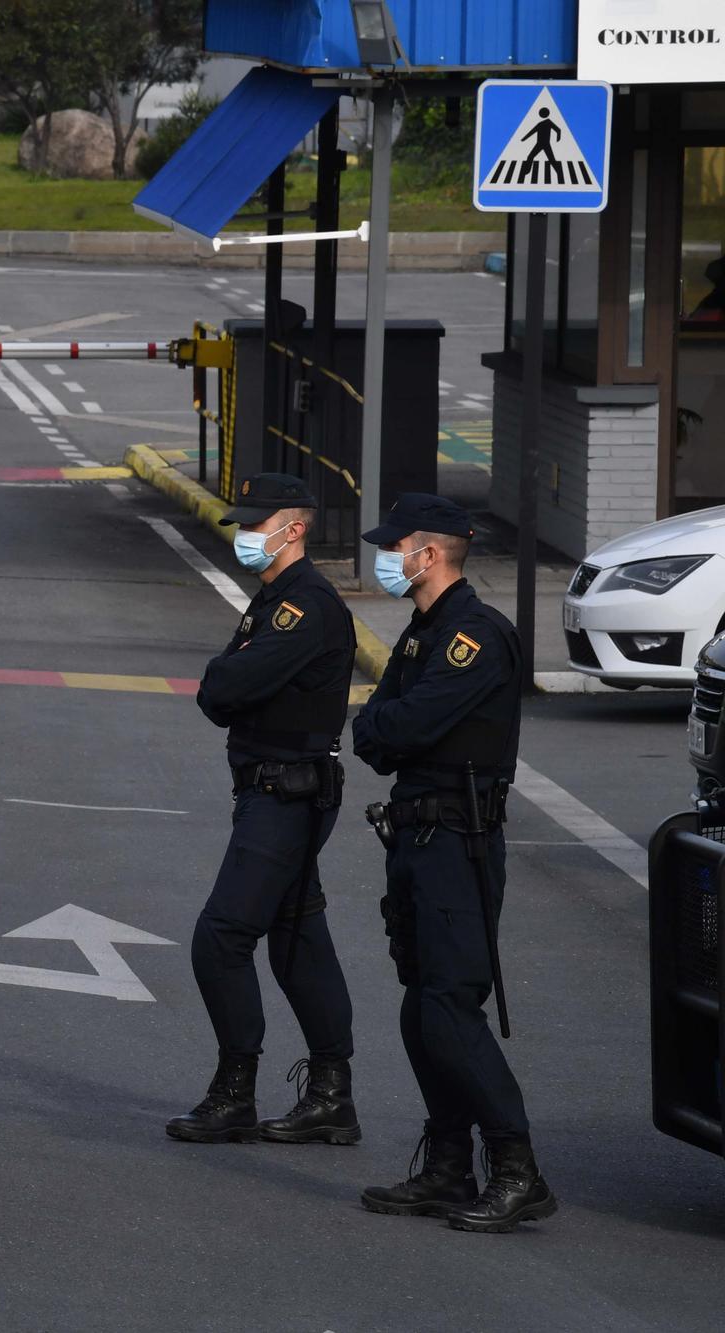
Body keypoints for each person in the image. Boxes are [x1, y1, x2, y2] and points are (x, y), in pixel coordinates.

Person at [351, 493, 557, 1234]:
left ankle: (516, 1167)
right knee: (422, 1004)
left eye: (394, 545)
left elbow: (403, 721)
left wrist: (388, 727)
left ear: (428, 554)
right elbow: (373, 731)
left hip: (457, 844)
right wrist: (386, 727)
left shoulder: (475, 635)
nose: (385, 557)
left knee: (448, 1003)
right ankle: (447, 1164)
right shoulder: (423, 631)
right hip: (414, 838)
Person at [168, 473, 360, 1146]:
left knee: (221, 936)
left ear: (295, 528)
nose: (247, 535)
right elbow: (222, 688)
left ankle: (236, 1089)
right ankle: (332, 1094)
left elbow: (227, 684)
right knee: (299, 937)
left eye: (259, 523)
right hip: (271, 787)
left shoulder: (304, 606)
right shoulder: (274, 598)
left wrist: (234, 675)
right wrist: (232, 677)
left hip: (288, 792)